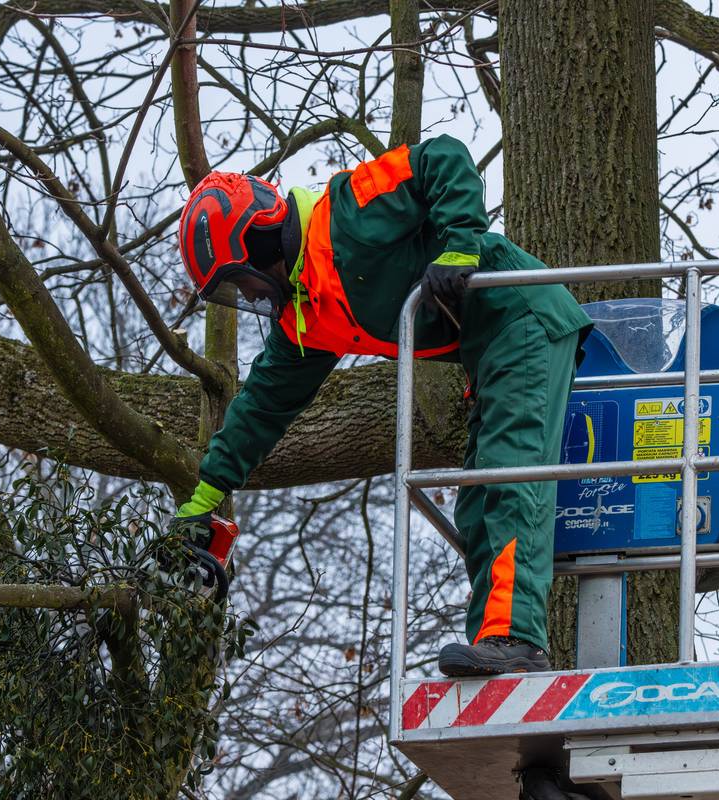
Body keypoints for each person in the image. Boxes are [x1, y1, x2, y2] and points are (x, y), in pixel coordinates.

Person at [172, 135, 592, 676]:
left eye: (242, 281)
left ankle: (517, 639)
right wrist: (205, 497)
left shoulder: (348, 213)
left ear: (257, 238)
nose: (251, 296)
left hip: (524, 317)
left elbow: (442, 156)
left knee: (508, 478)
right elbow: (259, 409)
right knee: (474, 505)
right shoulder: (307, 317)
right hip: (487, 351)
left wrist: (459, 246)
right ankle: (494, 641)